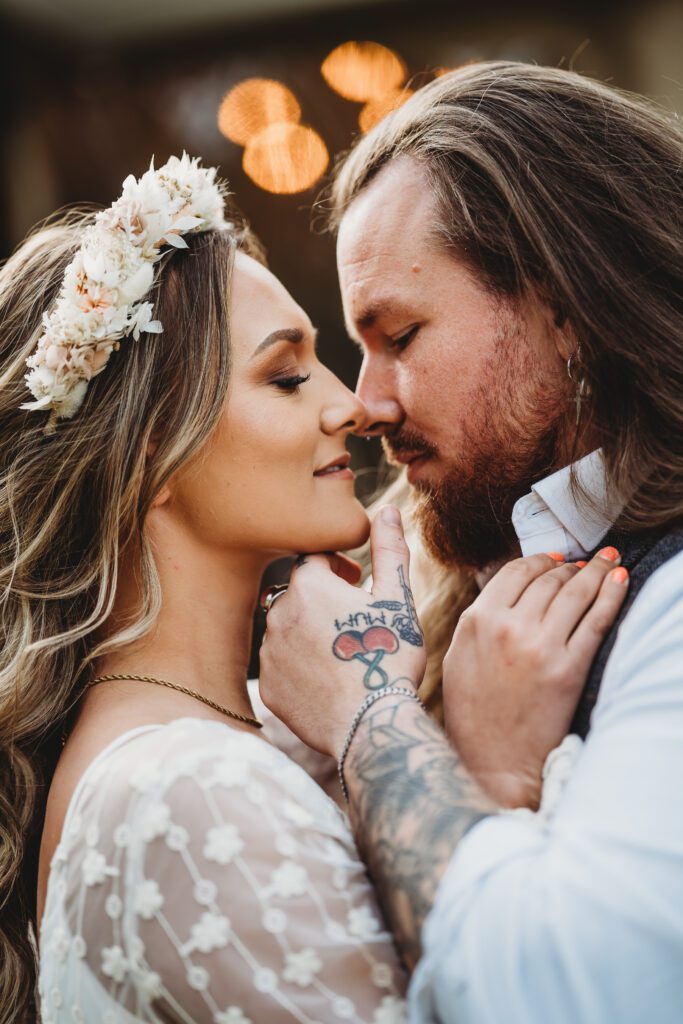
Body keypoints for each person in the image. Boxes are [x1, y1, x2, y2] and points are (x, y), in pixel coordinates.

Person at [0, 154, 622, 1024]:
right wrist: (481, 777)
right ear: (149, 454)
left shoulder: (269, 733)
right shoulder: (184, 789)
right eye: (286, 376)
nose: (354, 406)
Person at [259, 62, 683, 1022]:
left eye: (398, 336)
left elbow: (569, 995)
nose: (366, 403)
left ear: (564, 306)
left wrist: (369, 718)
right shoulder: (477, 581)